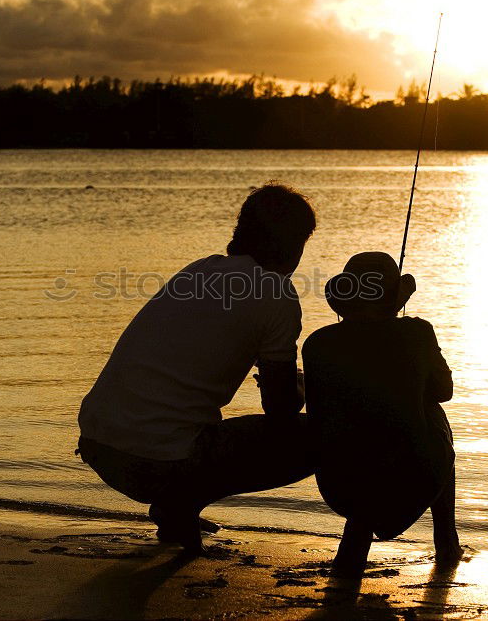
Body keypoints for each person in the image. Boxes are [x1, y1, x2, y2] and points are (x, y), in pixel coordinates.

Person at [78, 183, 317, 553]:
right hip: (157, 464)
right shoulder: (277, 294)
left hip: (99, 447)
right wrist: (304, 386)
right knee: (319, 437)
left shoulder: (197, 270)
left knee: (196, 423)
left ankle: (176, 505)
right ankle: (179, 507)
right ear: (293, 244)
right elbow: (281, 409)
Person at [302, 251, 462, 576]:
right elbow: (444, 392)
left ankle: (354, 544)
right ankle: (446, 540)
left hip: (339, 482)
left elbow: (320, 413)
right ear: (394, 300)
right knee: (432, 413)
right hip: (413, 475)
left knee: (360, 430)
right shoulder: (416, 333)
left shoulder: (318, 343)